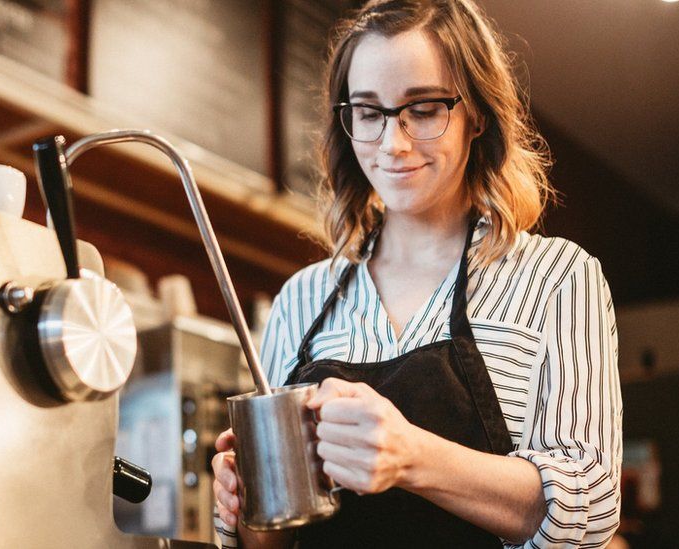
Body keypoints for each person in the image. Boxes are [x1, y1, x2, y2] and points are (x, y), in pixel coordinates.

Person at [211, 1, 622, 547]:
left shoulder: (557, 278)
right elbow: (273, 541)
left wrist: (411, 455)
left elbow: (591, 510)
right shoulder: (302, 300)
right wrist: (247, 505)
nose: (392, 143)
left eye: (423, 109)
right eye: (368, 112)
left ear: (477, 114)